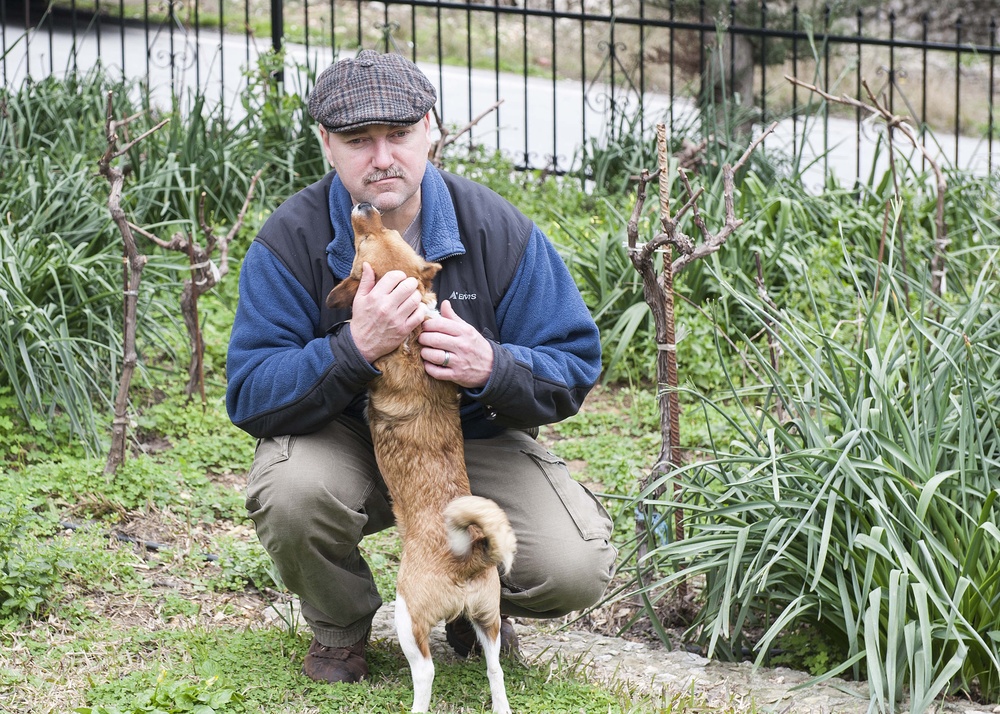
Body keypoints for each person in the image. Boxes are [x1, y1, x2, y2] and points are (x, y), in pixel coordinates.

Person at [226, 49, 616, 684]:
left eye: (400, 134)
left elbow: (574, 363)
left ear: (431, 128)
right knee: (292, 493)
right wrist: (353, 350)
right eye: (358, 140)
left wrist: (493, 365)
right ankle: (340, 625)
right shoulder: (287, 241)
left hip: (471, 446)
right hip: (346, 441)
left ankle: (468, 595)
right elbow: (250, 393)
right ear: (326, 144)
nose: (383, 156)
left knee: (574, 566)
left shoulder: (497, 230)